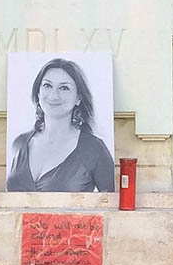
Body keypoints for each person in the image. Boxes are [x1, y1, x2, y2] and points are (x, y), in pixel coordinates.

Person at [7, 58, 116, 193]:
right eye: (47, 85)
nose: (54, 95)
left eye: (64, 88)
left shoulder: (95, 149)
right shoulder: (19, 143)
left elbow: (112, 206)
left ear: (78, 98)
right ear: (38, 92)